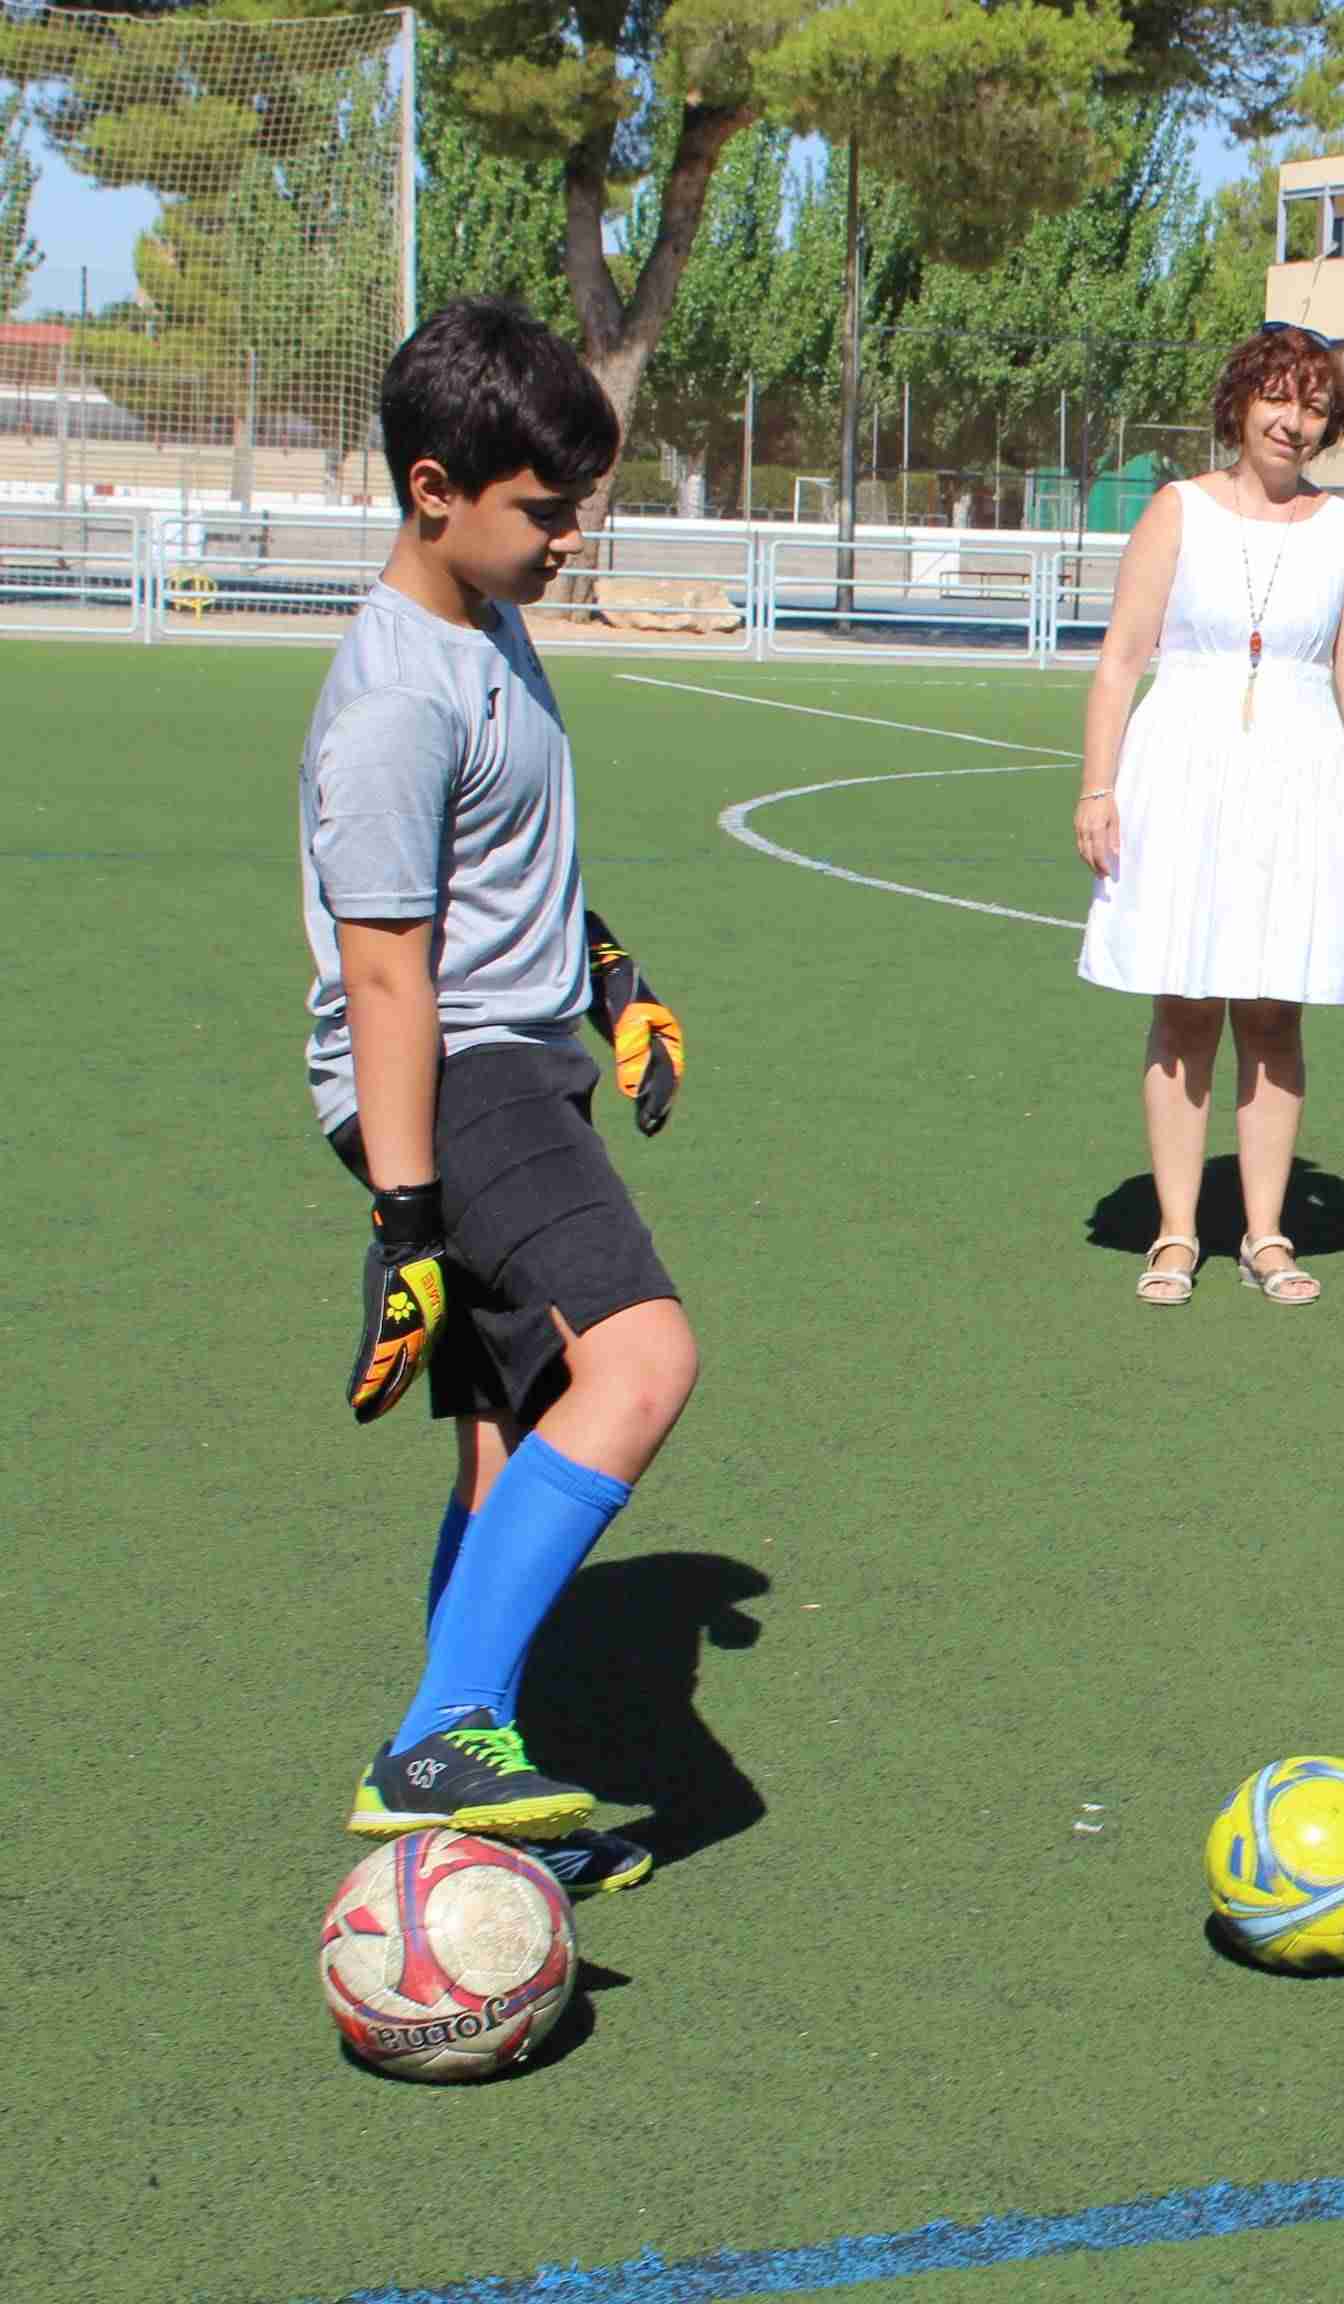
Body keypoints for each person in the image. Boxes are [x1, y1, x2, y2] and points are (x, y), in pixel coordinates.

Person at [303, 298, 696, 1898]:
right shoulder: (399, 697)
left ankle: (458, 1789)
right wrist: (408, 1221)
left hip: (514, 1061)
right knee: (645, 1358)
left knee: (505, 1433)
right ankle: (446, 1730)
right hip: (454, 1082)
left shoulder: (488, 628)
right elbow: (389, 972)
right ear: (431, 489)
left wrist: (615, 985)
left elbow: (518, 867)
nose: (568, 540)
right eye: (544, 512)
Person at [1075, 324, 1344, 1308]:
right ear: (1240, 403)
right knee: (1183, 1004)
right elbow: (1122, 658)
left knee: (1273, 1009)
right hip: (1181, 772)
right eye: (1278, 400)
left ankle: (1265, 1232)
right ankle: (1176, 1234)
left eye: (1314, 407)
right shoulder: (1177, 511)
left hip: (1301, 780)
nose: (1293, 423)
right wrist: (1098, 786)